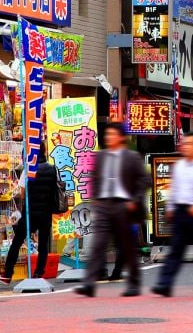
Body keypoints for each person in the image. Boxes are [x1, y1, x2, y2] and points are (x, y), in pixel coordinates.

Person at [76, 122, 150, 298]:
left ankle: (134, 283)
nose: (108, 137)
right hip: (103, 205)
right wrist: (95, 200)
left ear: (121, 137)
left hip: (124, 205)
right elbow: (94, 179)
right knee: (98, 243)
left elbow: (145, 180)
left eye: (112, 134)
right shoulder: (100, 156)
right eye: (107, 134)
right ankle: (89, 284)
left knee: (127, 246)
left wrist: (135, 199)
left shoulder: (132, 157)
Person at [153, 132, 193, 297]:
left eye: (188, 144)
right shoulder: (180, 166)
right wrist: (170, 207)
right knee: (176, 249)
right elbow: (174, 189)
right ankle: (164, 284)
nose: (184, 146)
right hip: (181, 212)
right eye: (184, 143)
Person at [0, 144, 59, 284]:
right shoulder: (52, 169)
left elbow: (22, 193)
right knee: (43, 243)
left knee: (17, 241)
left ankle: (7, 274)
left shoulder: (29, 170)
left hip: (30, 212)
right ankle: (39, 273)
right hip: (46, 212)